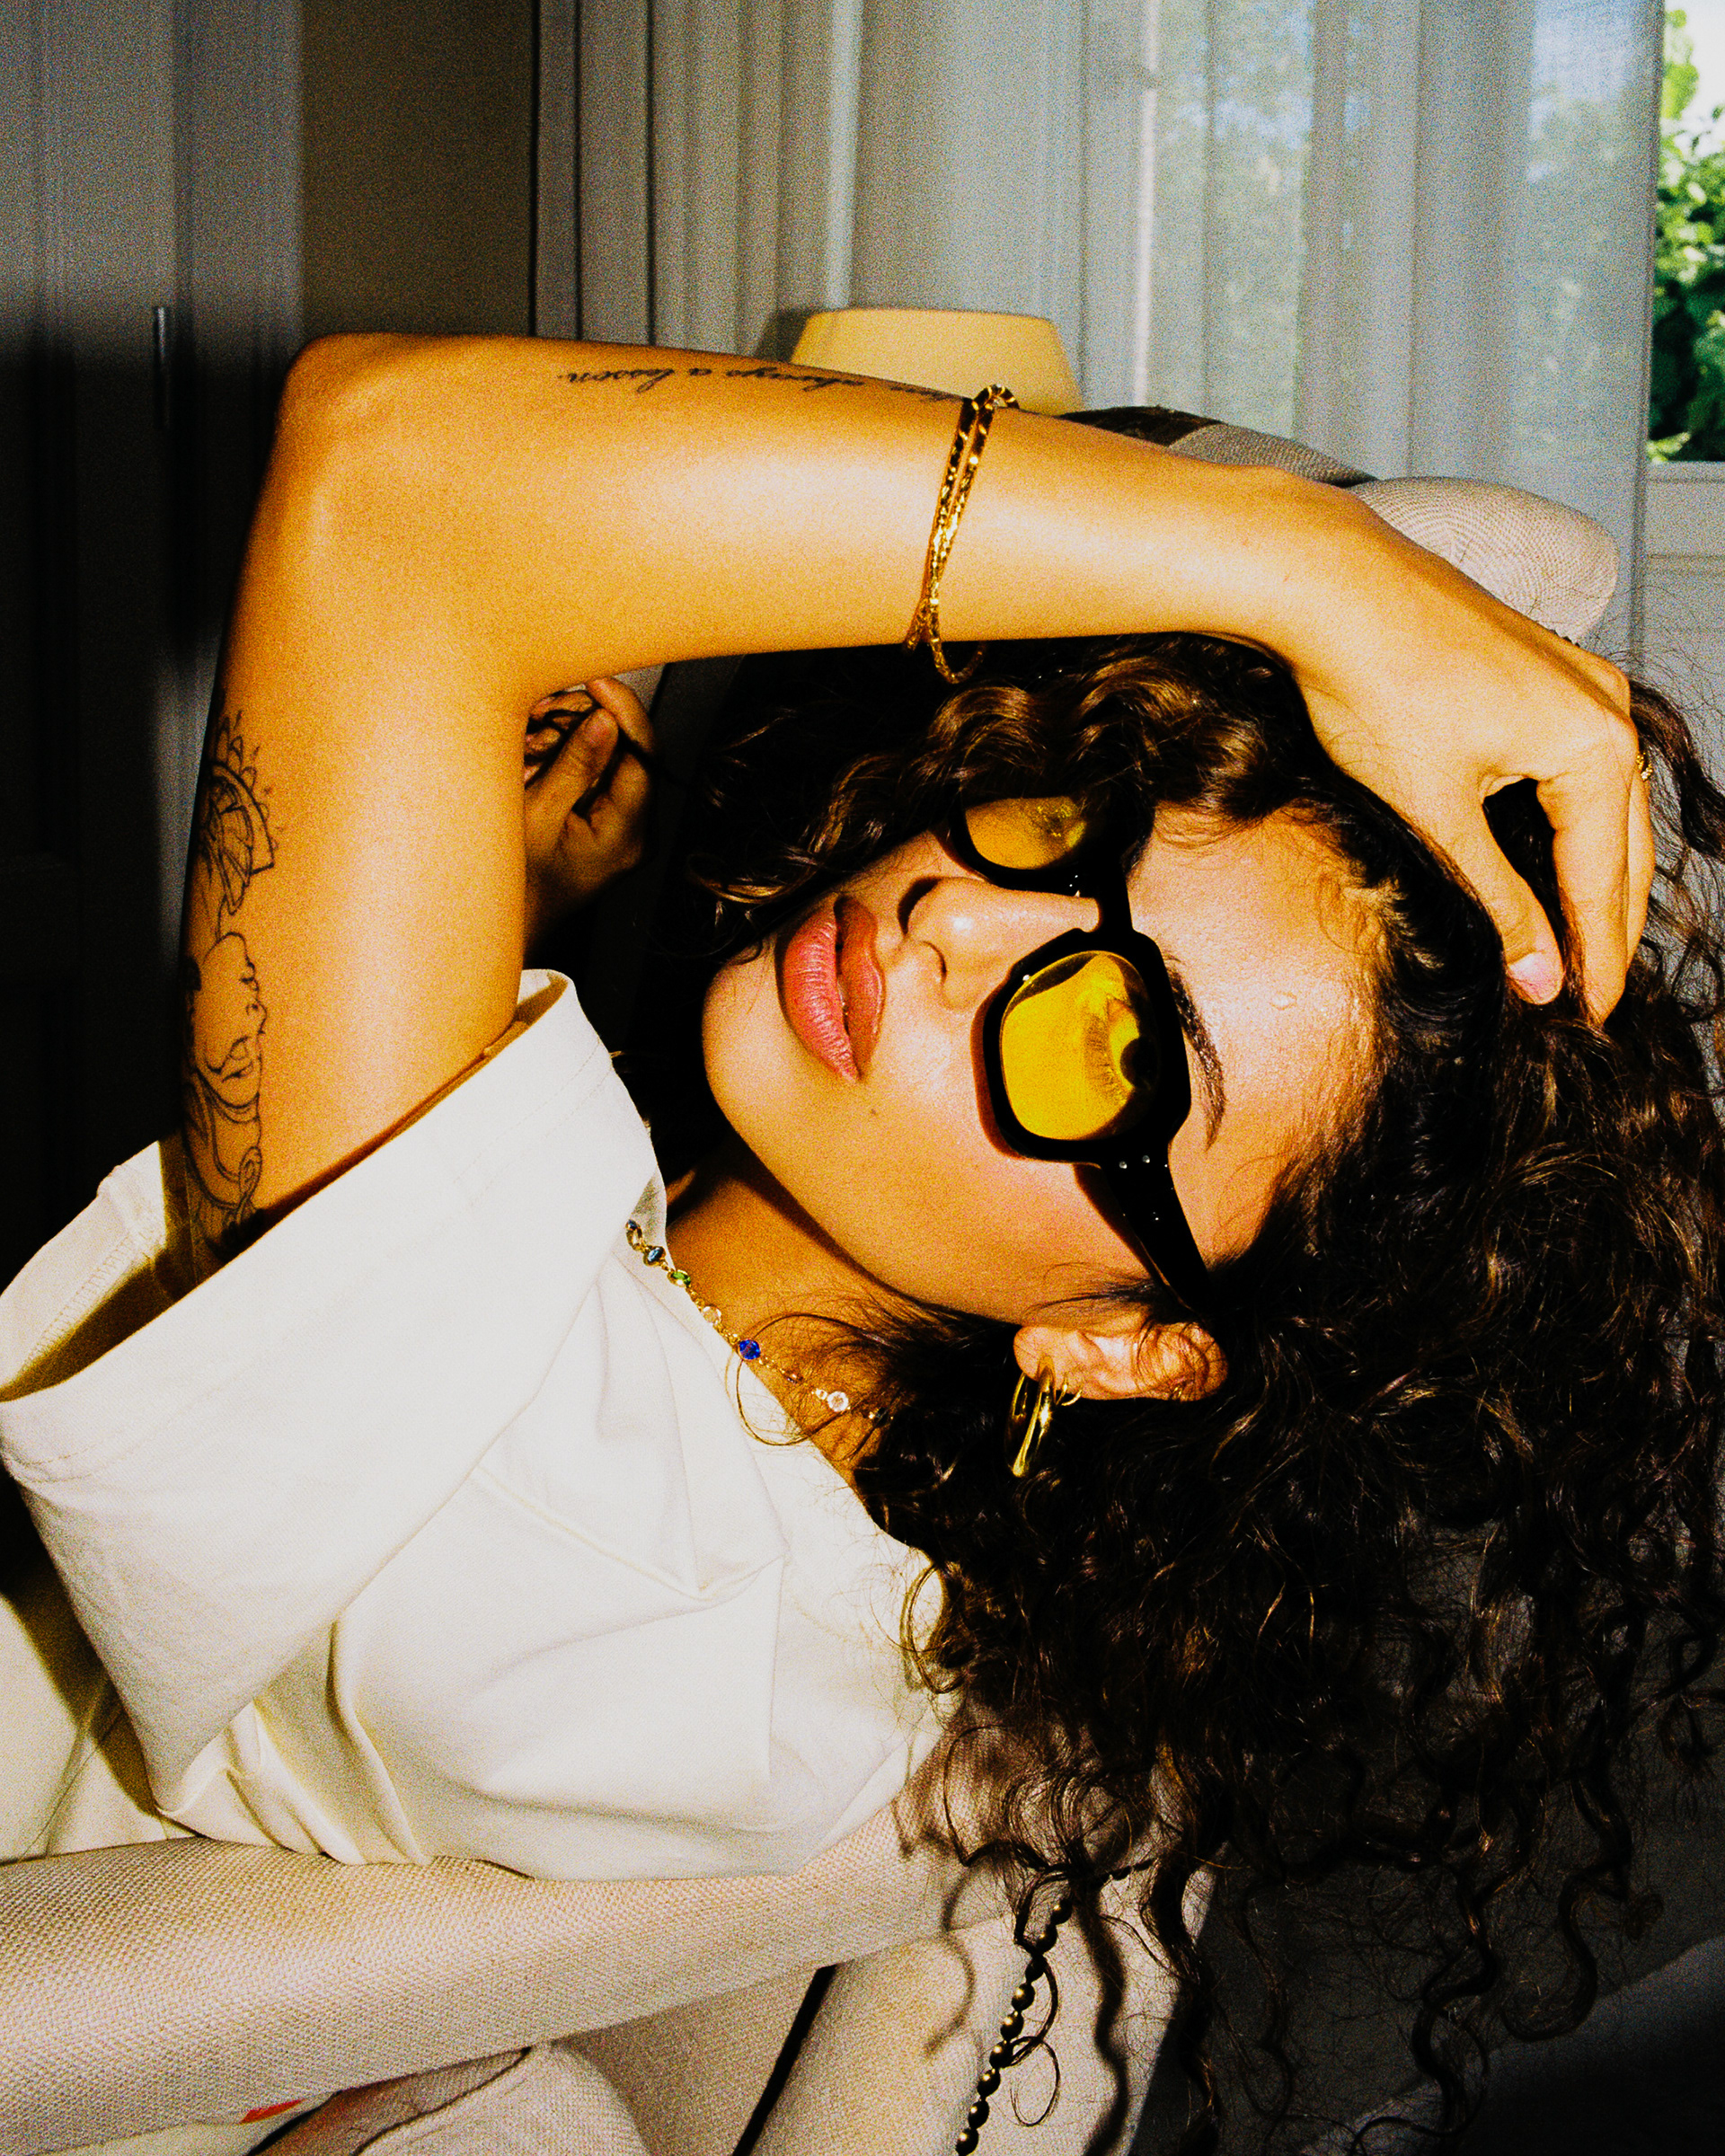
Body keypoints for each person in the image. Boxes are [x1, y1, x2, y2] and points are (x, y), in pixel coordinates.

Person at [0, 340, 1716, 2143]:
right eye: (1071, 829)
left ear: (1129, 1339)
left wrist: (1307, 570)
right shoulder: (736, 1472)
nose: (957, 917)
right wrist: (497, 927)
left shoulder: (604, 1568)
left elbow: (396, 475)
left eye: (1118, 1048)